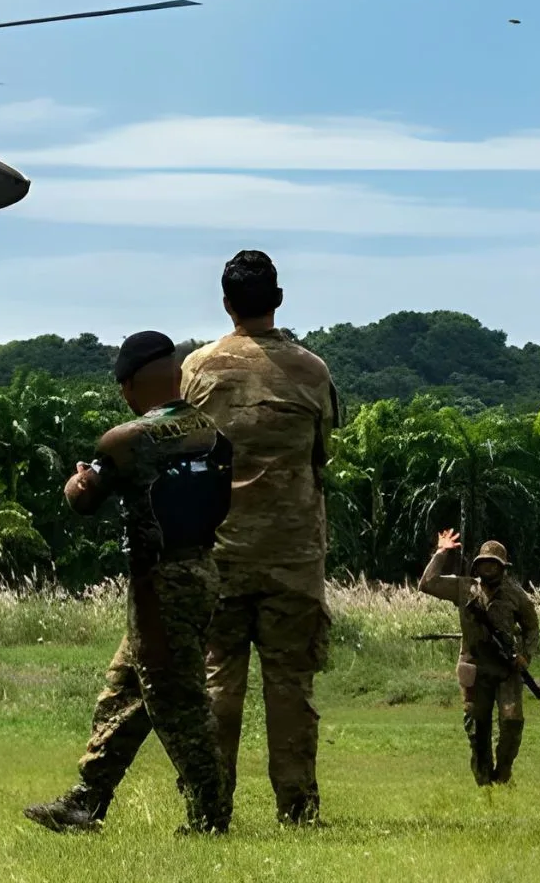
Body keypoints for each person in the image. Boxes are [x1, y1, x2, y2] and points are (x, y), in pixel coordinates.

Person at [25, 331, 233, 836]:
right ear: (177, 374)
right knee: (124, 692)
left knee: (176, 700)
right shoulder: (212, 432)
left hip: (158, 583)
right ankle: (86, 800)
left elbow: (84, 499)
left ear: (129, 385)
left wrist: (77, 480)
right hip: (202, 568)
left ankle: (210, 814)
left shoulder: (127, 440)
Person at [182, 250, 340, 825]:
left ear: (226, 304)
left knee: (217, 681)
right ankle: (298, 808)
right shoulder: (313, 371)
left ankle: (209, 808)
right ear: (278, 300)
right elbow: (322, 454)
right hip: (294, 555)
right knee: (291, 686)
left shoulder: (197, 369)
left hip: (218, 551)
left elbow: (183, 451)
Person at [418, 530, 540, 786]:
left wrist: (526, 655)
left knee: (512, 722)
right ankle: (484, 781)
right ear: (477, 565)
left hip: (506, 670)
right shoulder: (464, 588)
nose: (488, 568)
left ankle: (503, 773)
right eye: (484, 563)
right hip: (474, 669)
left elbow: (531, 626)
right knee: (477, 729)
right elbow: (427, 583)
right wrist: (441, 552)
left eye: (494, 564)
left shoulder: (515, 594)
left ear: (503, 567)